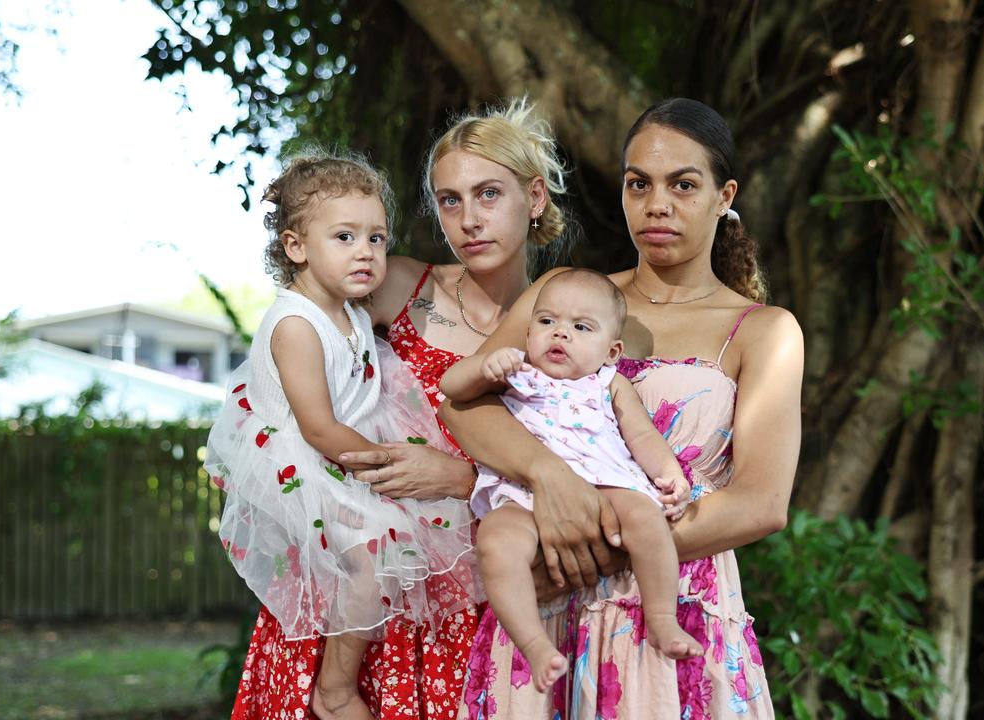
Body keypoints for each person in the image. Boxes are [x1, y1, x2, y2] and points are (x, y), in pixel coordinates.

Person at [444, 98, 803, 719]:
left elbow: (761, 503)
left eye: (683, 184)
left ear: (725, 195)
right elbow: (464, 405)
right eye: (639, 184)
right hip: (548, 617)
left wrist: (596, 547)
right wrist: (548, 476)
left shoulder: (762, 331)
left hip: (670, 610)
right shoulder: (566, 300)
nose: (656, 203)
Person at [227, 98, 571, 720]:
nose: (469, 219)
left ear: (536, 198)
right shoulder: (396, 284)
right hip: (363, 585)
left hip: (484, 593)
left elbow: (580, 465)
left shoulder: (565, 325)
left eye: (489, 194)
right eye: (449, 200)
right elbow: (294, 350)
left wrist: (464, 479)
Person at [206, 152, 481, 720]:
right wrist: (383, 463)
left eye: (377, 238)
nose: (366, 252)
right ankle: (334, 688)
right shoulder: (296, 324)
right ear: (297, 247)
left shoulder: (352, 312)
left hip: (343, 452)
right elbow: (317, 425)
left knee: (415, 535)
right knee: (379, 548)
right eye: (345, 236)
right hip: (302, 461)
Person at [440, 268, 700, 691]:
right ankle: (533, 643)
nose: (559, 334)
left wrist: (669, 474)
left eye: (580, 327)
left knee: (647, 519)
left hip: (607, 484)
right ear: (528, 332)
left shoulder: (608, 382)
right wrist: (485, 367)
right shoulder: (518, 372)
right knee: (496, 541)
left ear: (612, 350)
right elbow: (451, 388)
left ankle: (662, 620)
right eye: (547, 322)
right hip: (524, 494)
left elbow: (641, 435)